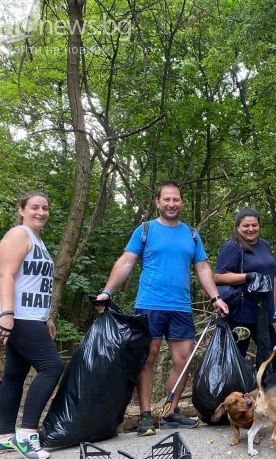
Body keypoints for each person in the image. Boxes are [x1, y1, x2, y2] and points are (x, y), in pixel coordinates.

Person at [95, 181, 228, 436]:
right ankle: (145, 415)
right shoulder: (145, 230)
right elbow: (127, 261)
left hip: (180, 308)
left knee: (183, 359)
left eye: (175, 200)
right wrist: (107, 291)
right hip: (149, 304)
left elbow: (202, 267)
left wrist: (215, 298)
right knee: (148, 359)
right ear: (157, 202)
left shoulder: (191, 234)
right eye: (166, 199)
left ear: (181, 202)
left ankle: (170, 412)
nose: (171, 204)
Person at [0, 192, 64, 459]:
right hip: (18, 315)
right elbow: (6, 274)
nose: (41, 212)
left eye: (45, 208)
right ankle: (27, 435)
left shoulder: (38, 240)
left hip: (32, 316)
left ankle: (4, 437)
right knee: (52, 366)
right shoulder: (18, 235)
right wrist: (7, 313)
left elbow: (35, 283)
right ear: (21, 210)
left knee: (14, 374)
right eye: (34, 207)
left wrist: (46, 316)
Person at [213, 208, 276, 374]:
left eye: (254, 225)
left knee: (273, 354)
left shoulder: (264, 245)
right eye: (246, 226)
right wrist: (247, 277)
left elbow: (271, 275)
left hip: (262, 313)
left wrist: (272, 307)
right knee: (235, 358)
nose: (250, 229)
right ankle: (232, 399)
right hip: (241, 313)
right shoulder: (232, 246)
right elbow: (218, 277)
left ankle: (267, 395)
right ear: (238, 227)